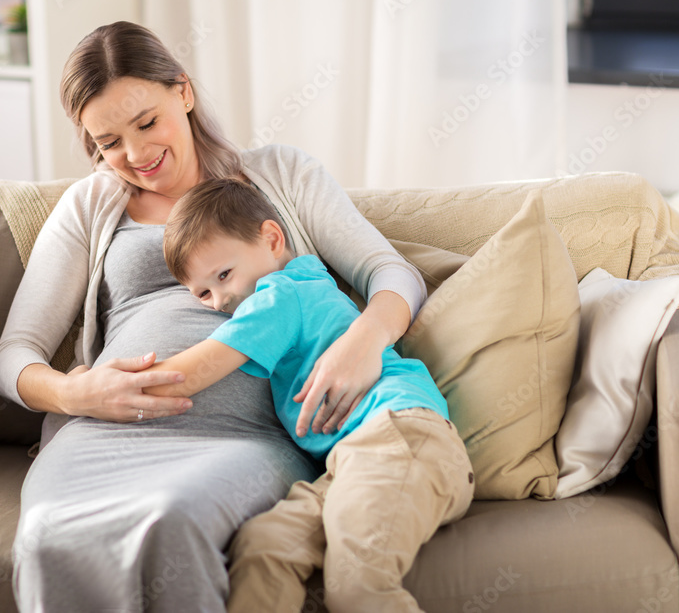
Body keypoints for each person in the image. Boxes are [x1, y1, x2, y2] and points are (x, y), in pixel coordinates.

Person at [0, 20, 430, 612]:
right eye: (109, 143)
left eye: (147, 123)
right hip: (104, 433)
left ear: (184, 91)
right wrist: (77, 395)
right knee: (49, 534)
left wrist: (365, 339)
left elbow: (394, 273)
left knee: (172, 519)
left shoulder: (280, 176)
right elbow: (12, 354)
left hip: (243, 437)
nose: (137, 155)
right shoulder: (90, 206)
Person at [148, 177, 475, 612]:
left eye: (224, 275)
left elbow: (189, 375)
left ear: (271, 238)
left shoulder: (281, 295)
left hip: (399, 437)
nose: (221, 299)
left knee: (356, 584)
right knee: (264, 548)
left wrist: (104, 385)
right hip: (347, 463)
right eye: (203, 293)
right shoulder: (305, 278)